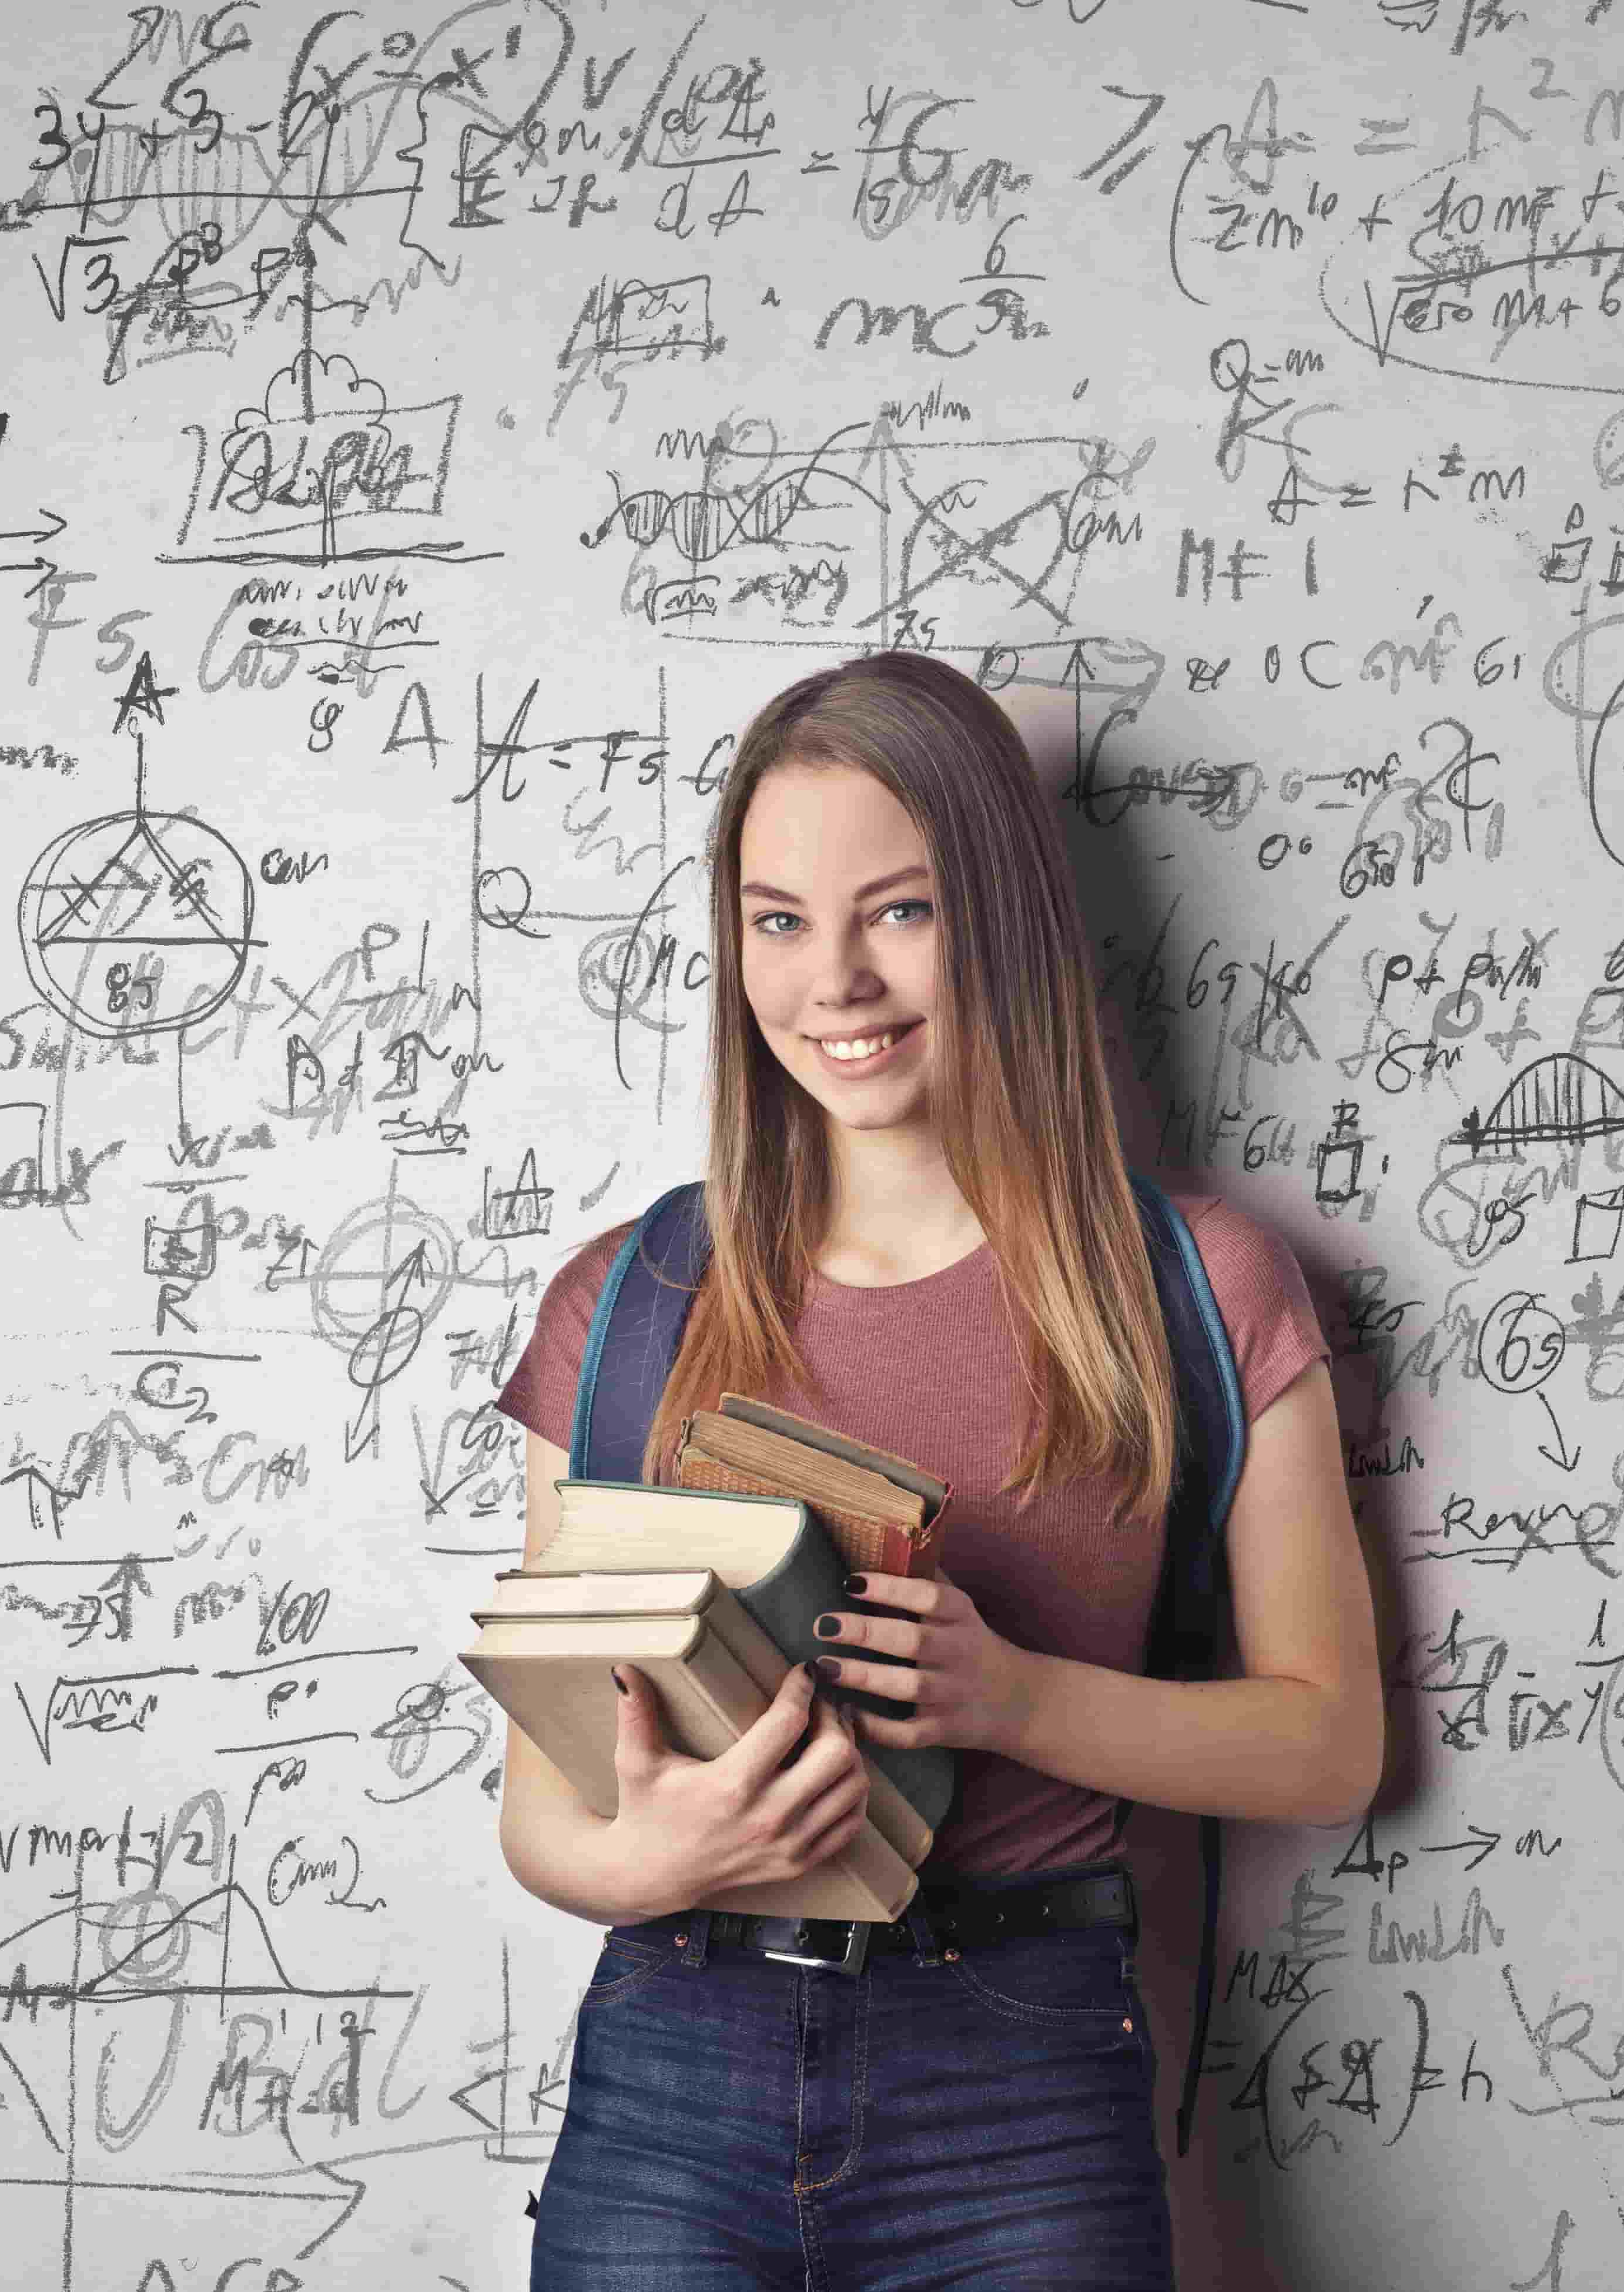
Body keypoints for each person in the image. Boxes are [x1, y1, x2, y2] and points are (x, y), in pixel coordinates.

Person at [488, 648, 1384, 2290]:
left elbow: (1328, 1739)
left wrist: (1014, 1698)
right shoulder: (621, 1303)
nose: (831, 979)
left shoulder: (1201, 1286)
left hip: (1023, 2084)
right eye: (776, 919)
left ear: (1003, 917)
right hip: (671, 2069)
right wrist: (659, 1857)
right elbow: (547, 1808)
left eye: (896, 910)